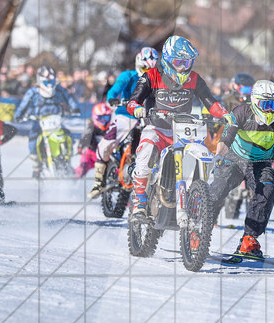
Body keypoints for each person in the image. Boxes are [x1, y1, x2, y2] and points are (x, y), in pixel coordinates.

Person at [125, 35, 228, 215]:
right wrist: (138, 109)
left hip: (182, 130)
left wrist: (225, 114)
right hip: (156, 128)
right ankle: (139, 198)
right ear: (166, 59)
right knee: (146, 153)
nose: (182, 67)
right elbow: (133, 101)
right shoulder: (151, 75)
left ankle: (196, 194)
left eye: (187, 63)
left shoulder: (194, 79)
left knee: (203, 153)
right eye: (178, 62)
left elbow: (210, 102)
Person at [210, 80, 274, 256]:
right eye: (266, 104)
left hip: (262, 162)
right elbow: (226, 138)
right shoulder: (241, 112)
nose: (270, 110)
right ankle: (201, 226)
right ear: (255, 101)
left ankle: (249, 239)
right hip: (235, 158)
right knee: (218, 189)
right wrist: (218, 157)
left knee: (267, 191)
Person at [86, 47, 158, 197]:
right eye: (145, 67)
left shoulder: (158, 79)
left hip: (149, 117)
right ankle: (98, 183)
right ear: (139, 63)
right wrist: (113, 98)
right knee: (106, 144)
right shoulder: (128, 75)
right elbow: (115, 88)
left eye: (151, 68)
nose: (148, 71)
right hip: (127, 115)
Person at [14, 65, 80, 177]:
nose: (50, 85)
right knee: (33, 141)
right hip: (38, 121)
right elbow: (23, 105)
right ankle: (36, 167)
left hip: (57, 121)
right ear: (40, 81)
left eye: (52, 81)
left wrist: (75, 108)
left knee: (69, 137)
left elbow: (69, 99)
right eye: (46, 82)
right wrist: (19, 115)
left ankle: (68, 162)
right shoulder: (33, 92)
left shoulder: (60, 90)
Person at [76, 101, 112, 178]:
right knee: (81, 169)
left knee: (113, 171)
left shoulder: (111, 129)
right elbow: (84, 138)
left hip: (106, 156)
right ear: (95, 117)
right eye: (101, 118)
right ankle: (71, 180)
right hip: (91, 155)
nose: (104, 121)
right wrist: (80, 147)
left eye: (106, 118)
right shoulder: (91, 128)